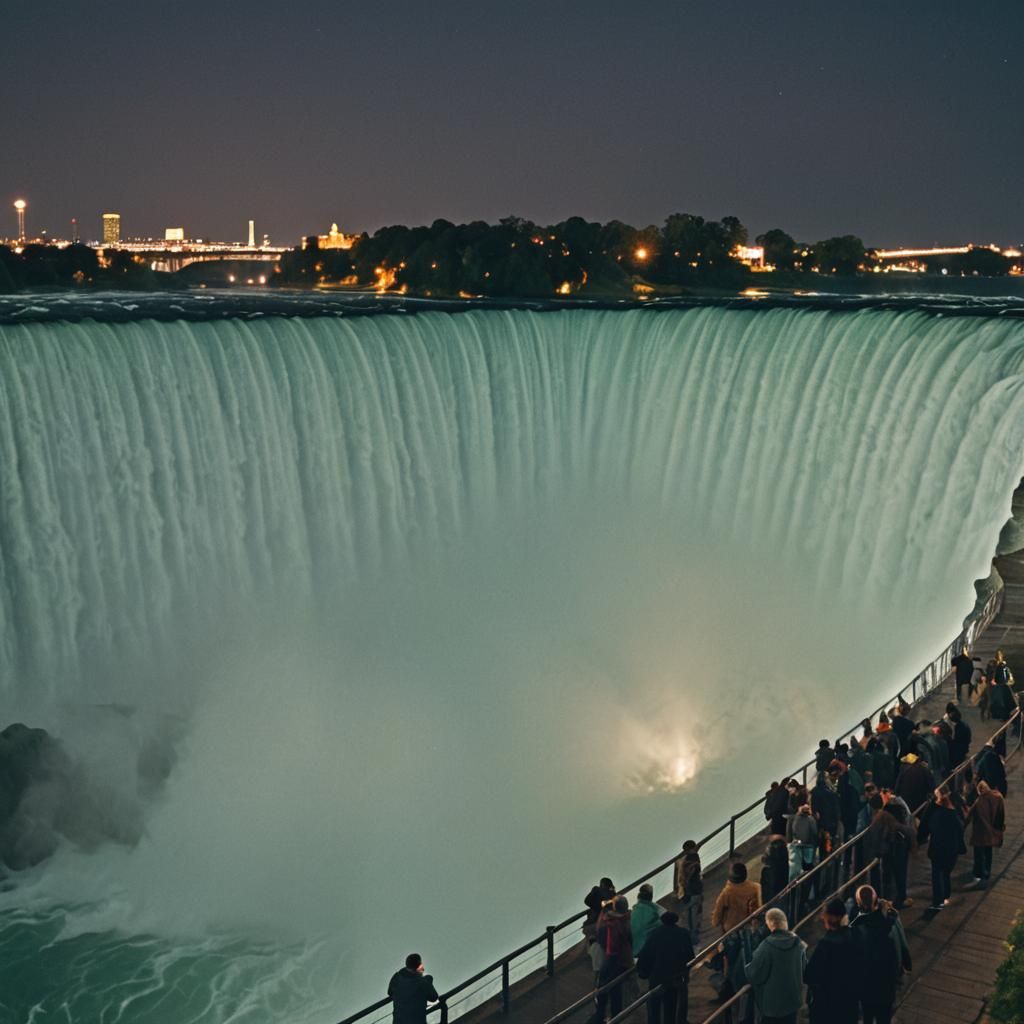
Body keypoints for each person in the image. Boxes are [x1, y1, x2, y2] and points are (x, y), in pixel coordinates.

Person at [851, 886, 910, 1024]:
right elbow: (901, 945)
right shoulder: (891, 921)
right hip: (887, 984)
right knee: (884, 1018)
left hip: (866, 986)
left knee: (868, 1017)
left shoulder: (857, 929)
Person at [804, 898, 863, 1024]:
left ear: (833, 917)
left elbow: (809, 975)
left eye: (824, 914)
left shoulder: (826, 945)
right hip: (849, 1004)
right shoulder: (854, 936)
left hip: (828, 1007)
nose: (822, 917)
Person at [744, 907, 805, 1024]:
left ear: (769, 924)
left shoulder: (766, 947)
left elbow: (754, 973)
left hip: (773, 1006)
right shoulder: (798, 943)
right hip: (792, 1002)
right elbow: (804, 968)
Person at [636, 910, 694, 1024]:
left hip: (657, 979)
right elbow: (690, 956)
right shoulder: (683, 933)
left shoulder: (654, 935)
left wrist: (644, 973)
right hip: (674, 978)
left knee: (654, 1009)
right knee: (670, 1010)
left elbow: (644, 956)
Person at [922, 787, 965, 911]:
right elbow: (960, 830)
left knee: (937, 874)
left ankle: (938, 901)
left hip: (938, 849)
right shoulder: (953, 814)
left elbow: (928, 826)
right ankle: (946, 895)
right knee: (946, 873)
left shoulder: (937, 815)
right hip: (951, 850)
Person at [592, 895, 632, 1024]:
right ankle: (616, 1016)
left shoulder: (609, 921)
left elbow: (611, 944)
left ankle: (600, 1015)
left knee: (603, 987)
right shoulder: (623, 920)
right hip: (620, 957)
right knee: (616, 989)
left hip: (611, 956)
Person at [965, 779, 1006, 886]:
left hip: (980, 833)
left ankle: (978, 874)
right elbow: (1001, 814)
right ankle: (987, 873)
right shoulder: (998, 797)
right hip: (992, 831)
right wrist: (1000, 827)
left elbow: (968, 816)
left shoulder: (979, 801)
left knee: (978, 855)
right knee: (988, 853)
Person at [711, 861, 761, 934]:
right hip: (751, 926)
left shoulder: (726, 894)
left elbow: (715, 921)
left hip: (732, 930)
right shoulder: (756, 887)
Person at [388, 954, 439, 1024]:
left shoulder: (396, 978)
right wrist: (428, 981)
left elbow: (390, 992)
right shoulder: (422, 982)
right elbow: (433, 997)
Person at [673, 840, 703, 945]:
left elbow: (685, 878)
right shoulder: (695, 858)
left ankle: (692, 937)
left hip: (690, 892)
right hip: (696, 891)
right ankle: (694, 936)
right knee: (694, 915)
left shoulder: (684, 861)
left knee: (690, 915)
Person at [631, 883, 664, 955]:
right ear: (651, 896)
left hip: (634, 949)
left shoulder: (634, 910)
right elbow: (666, 919)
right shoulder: (654, 909)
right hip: (646, 948)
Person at [760, 835, 789, 904]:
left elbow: (766, 890)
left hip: (773, 901)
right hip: (784, 898)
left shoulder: (767, 871)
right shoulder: (786, 865)